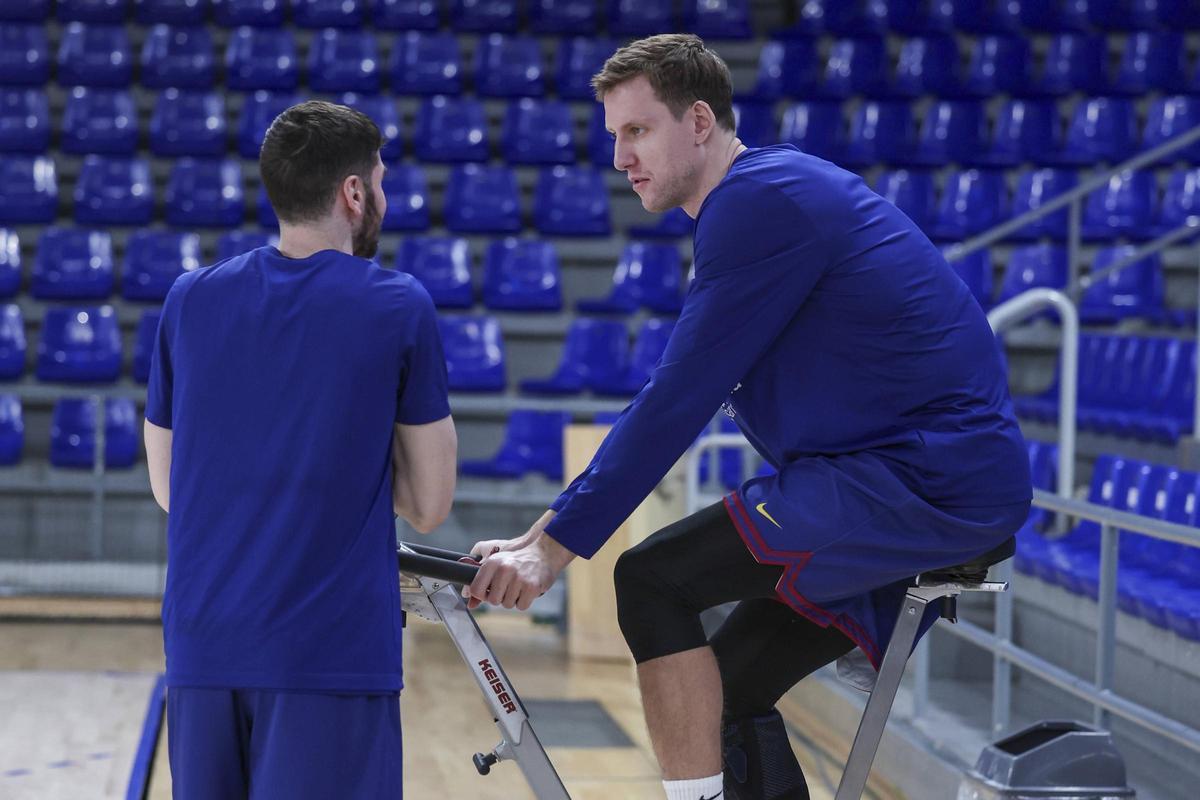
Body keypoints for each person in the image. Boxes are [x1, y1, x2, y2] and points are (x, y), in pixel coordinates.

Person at [464, 34, 1032, 800]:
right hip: (900, 475)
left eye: (638, 131)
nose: (620, 157)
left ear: (699, 121)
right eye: (614, 137)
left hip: (926, 479)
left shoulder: (761, 201)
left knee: (652, 580)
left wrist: (554, 552)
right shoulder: (764, 195)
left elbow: (679, 397)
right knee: (723, 691)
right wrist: (536, 538)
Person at [144, 100, 457, 799]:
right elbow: (429, 506)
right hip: (328, 654)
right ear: (353, 193)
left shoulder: (187, 299)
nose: (382, 196)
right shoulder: (399, 305)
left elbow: (170, 488)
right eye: (378, 181)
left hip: (202, 648)